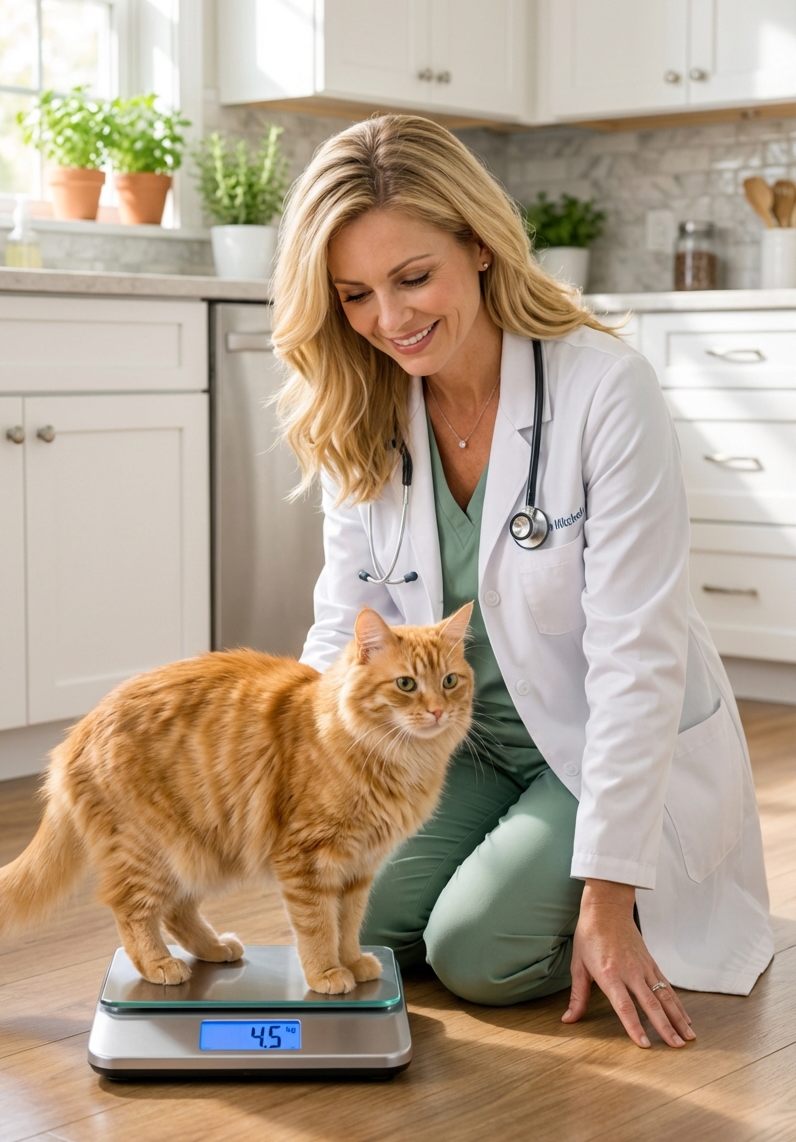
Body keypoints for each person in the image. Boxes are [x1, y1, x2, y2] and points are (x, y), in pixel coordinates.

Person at [270, 114, 773, 1049]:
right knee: (361, 921)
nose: (391, 320)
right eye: (355, 294)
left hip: (600, 748)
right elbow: (346, 620)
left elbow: (636, 651)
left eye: (414, 277)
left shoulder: (602, 391)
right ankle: (504, 854)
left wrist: (612, 894)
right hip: (458, 742)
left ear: (482, 246)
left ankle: (576, 895)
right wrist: (298, 784)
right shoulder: (363, 407)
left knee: (476, 955)